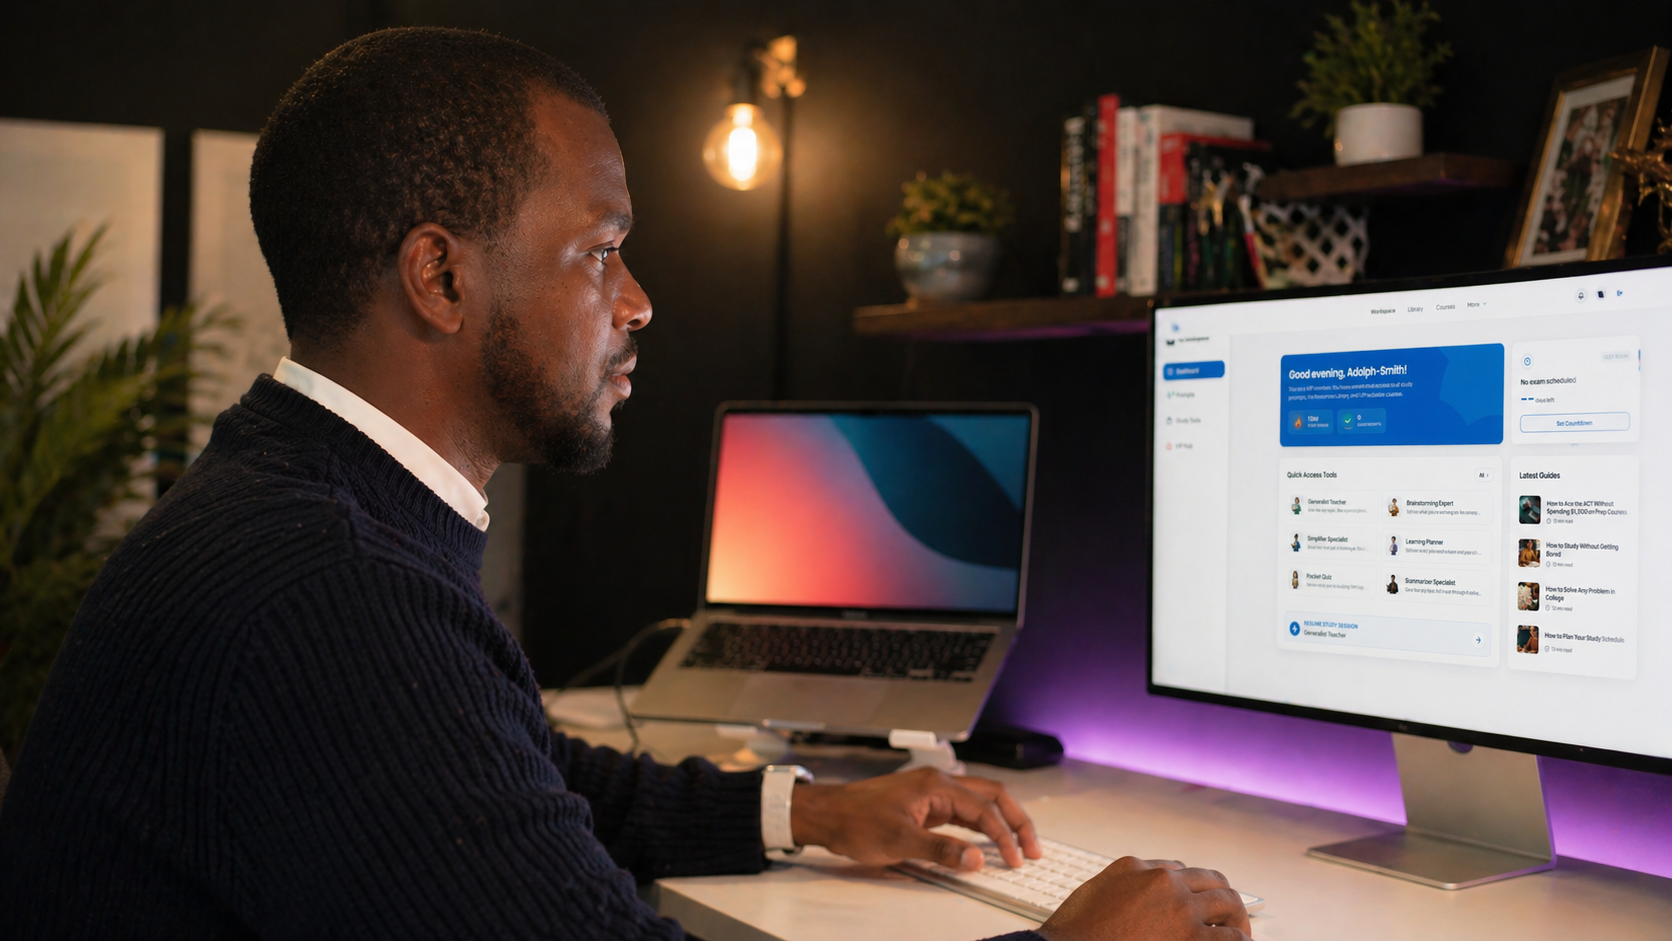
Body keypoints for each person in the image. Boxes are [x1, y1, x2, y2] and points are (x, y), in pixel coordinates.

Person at [0, 28, 1249, 941]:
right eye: (599, 251)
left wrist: (807, 811)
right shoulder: (331, 596)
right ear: (440, 278)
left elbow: (523, 778)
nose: (641, 298)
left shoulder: (295, 505)